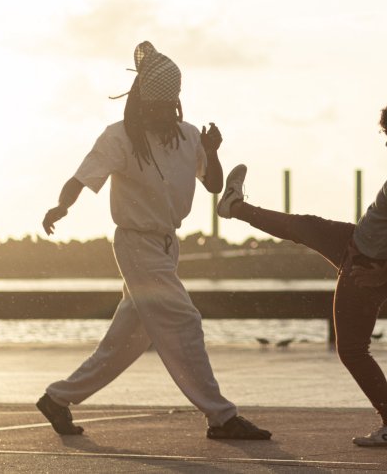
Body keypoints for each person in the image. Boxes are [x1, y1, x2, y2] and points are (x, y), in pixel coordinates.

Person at [216, 97, 387, 447]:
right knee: (302, 226)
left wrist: (380, 276)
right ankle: (234, 206)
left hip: (367, 266)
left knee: (353, 351)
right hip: (356, 242)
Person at [38, 41, 270, 441]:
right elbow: (81, 178)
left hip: (166, 245)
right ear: (142, 103)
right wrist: (61, 206)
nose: (164, 113)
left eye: (170, 106)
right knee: (184, 320)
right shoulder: (120, 138)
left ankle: (58, 399)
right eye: (156, 107)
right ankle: (221, 416)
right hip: (135, 244)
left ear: (177, 103)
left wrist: (212, 152)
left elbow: (213, 185)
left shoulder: (188, 136)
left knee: (128, 339)